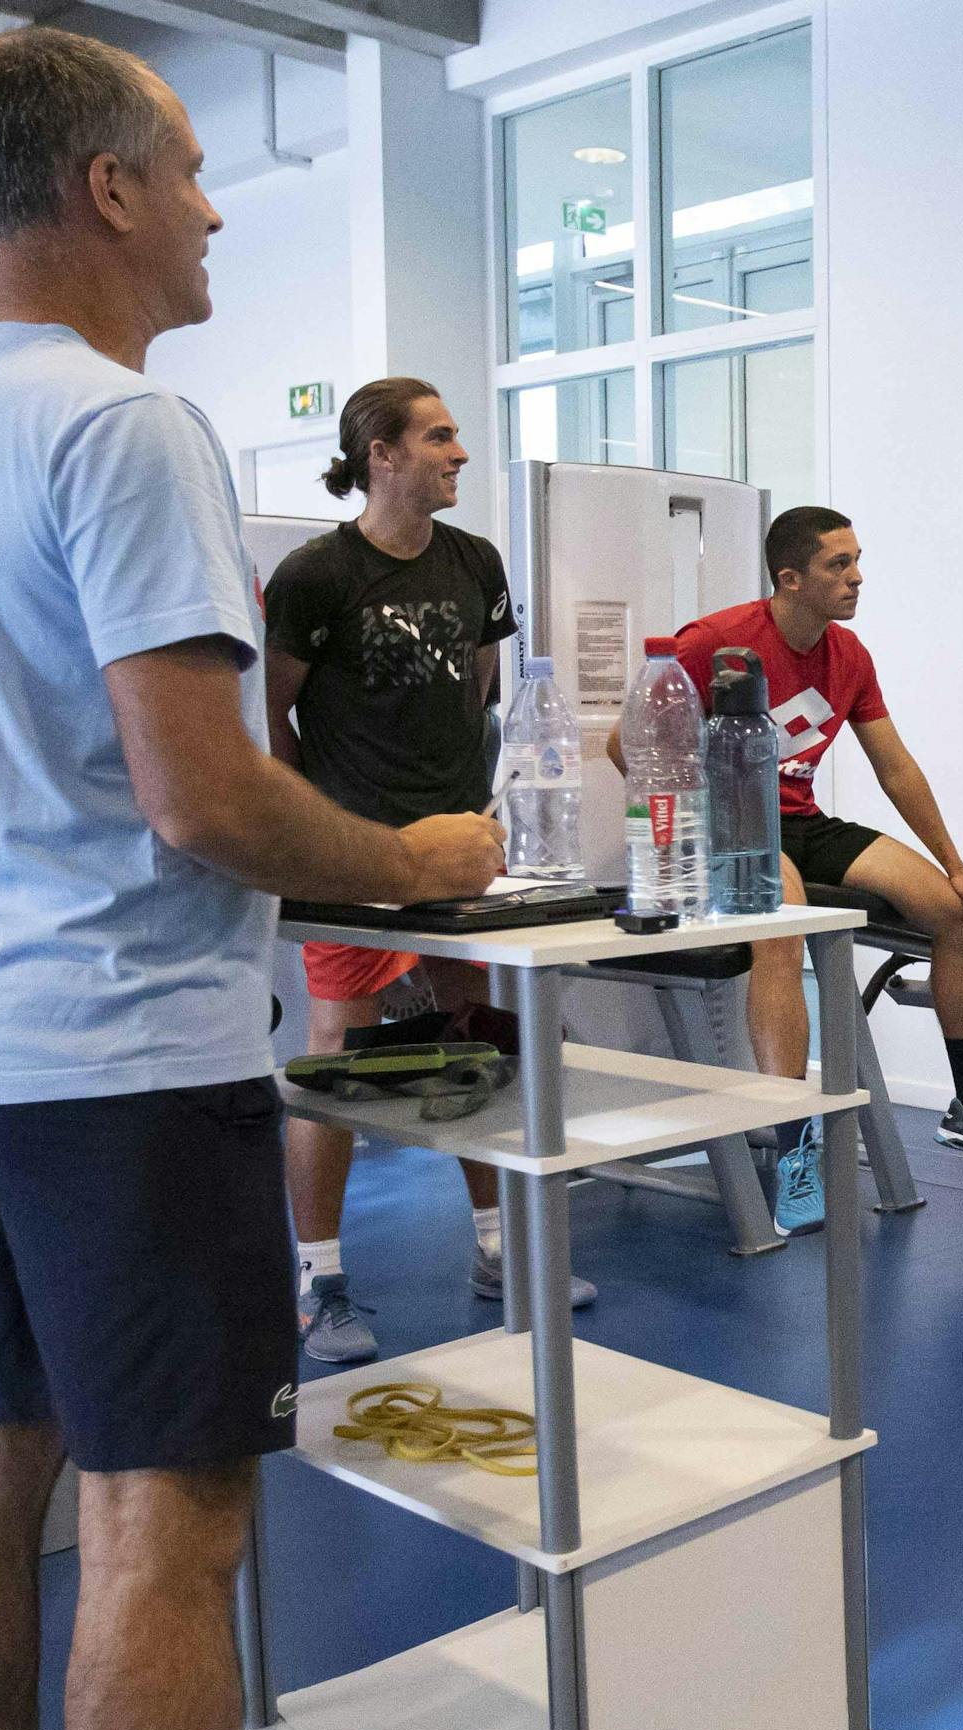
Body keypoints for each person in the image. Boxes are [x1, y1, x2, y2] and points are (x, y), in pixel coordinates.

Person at [0, 28, 496, 1730]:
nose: (222, 207)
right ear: (111, 192)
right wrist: (419, 867)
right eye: (198, 171)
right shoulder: (129, 431)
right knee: (162, 1522)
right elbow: (204, 798)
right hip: (118, 1063)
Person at [262, 375, 587, 1359]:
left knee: (474, 1042)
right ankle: (319, 1280)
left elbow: (483, 694)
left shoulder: (475, 562)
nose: (459, 454)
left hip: (456, 852)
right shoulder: (318, 575)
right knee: (338, 1059)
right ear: (382, 456)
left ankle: (496, 1246)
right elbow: (274, 713)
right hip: (355, 855)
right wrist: (308, 837)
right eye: (439, 438)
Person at [673, 506, 963, 1233]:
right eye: (838, 565)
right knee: (783, 927)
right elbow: (628, 749)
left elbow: (895, 766)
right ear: (790, 578)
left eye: (857, 561)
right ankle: (793, 1147)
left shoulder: (847, 655)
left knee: (954, 912)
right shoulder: (717, 643)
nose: (856, 578)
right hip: (724, 824)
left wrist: (957, 866)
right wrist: (700, 815)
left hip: (801, 819)